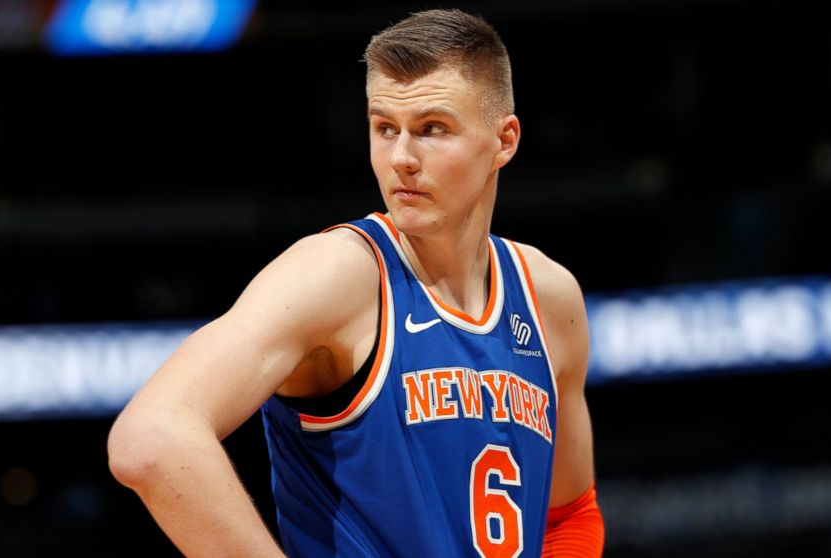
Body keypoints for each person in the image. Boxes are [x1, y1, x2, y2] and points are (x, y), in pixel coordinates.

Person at [107, 8, 604, 557]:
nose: (402, 158)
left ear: (504, 141)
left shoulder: (548, 298)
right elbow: (152, 436)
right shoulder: (339, 273)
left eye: (432, 129)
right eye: (384, 128)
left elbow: (570, 515)